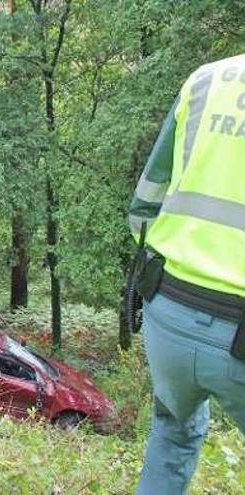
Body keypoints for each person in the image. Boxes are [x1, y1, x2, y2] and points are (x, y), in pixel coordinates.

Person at [129, 54, 245, 494]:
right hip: (238, 330)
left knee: (173, 432)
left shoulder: (205, 79)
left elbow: (144, 205)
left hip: (167, 309)